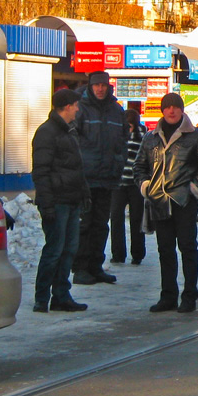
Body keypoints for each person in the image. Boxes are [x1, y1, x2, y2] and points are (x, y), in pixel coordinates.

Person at [133, 92, 198, 314]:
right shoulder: (150, 138)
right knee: (165, 250)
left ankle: (189, 295)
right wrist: (145, 187)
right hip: (159, 202)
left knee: (188, 248)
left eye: (176, 107)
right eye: (167, 107)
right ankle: (168, 295)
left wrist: (193, 188)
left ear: (182, 110)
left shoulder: (194, 136)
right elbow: (139, 167)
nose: (171, 111)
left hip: (183, 202)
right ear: (162, 110)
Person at [31, 88, 91, 313]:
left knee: (68, 250)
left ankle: (61, 296)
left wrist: (84, 192)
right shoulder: (47, 133)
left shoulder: (69, 131)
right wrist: (46, 203)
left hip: (71, 200)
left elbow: (77, 168)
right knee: (54, 250)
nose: (77, 109)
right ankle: (42, 298)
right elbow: (41, 171)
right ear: (67, 106)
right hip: (57, 202)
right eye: (75, 105)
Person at [71, 71, 127, 285]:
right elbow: (72, 139)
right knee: (85, 224)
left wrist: (119, 160)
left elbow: (123, 138)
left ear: (108, 86)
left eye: (103, 85)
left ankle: (96, 266)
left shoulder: (116, 110)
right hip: (86, 178)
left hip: (108, 177)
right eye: (96, 85)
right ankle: (81, 268)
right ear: (90, 87)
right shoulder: (80, 108)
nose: (100, 89)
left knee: (102, 224)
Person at [110, 108, 147, 265]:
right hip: (118, 184)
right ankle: (118, 254)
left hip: (135, 184)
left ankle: (137, 254)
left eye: (131, 125)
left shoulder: (143, 135)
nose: (129, 128)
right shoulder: (117, 134)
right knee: (116, 219)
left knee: (136, 219)